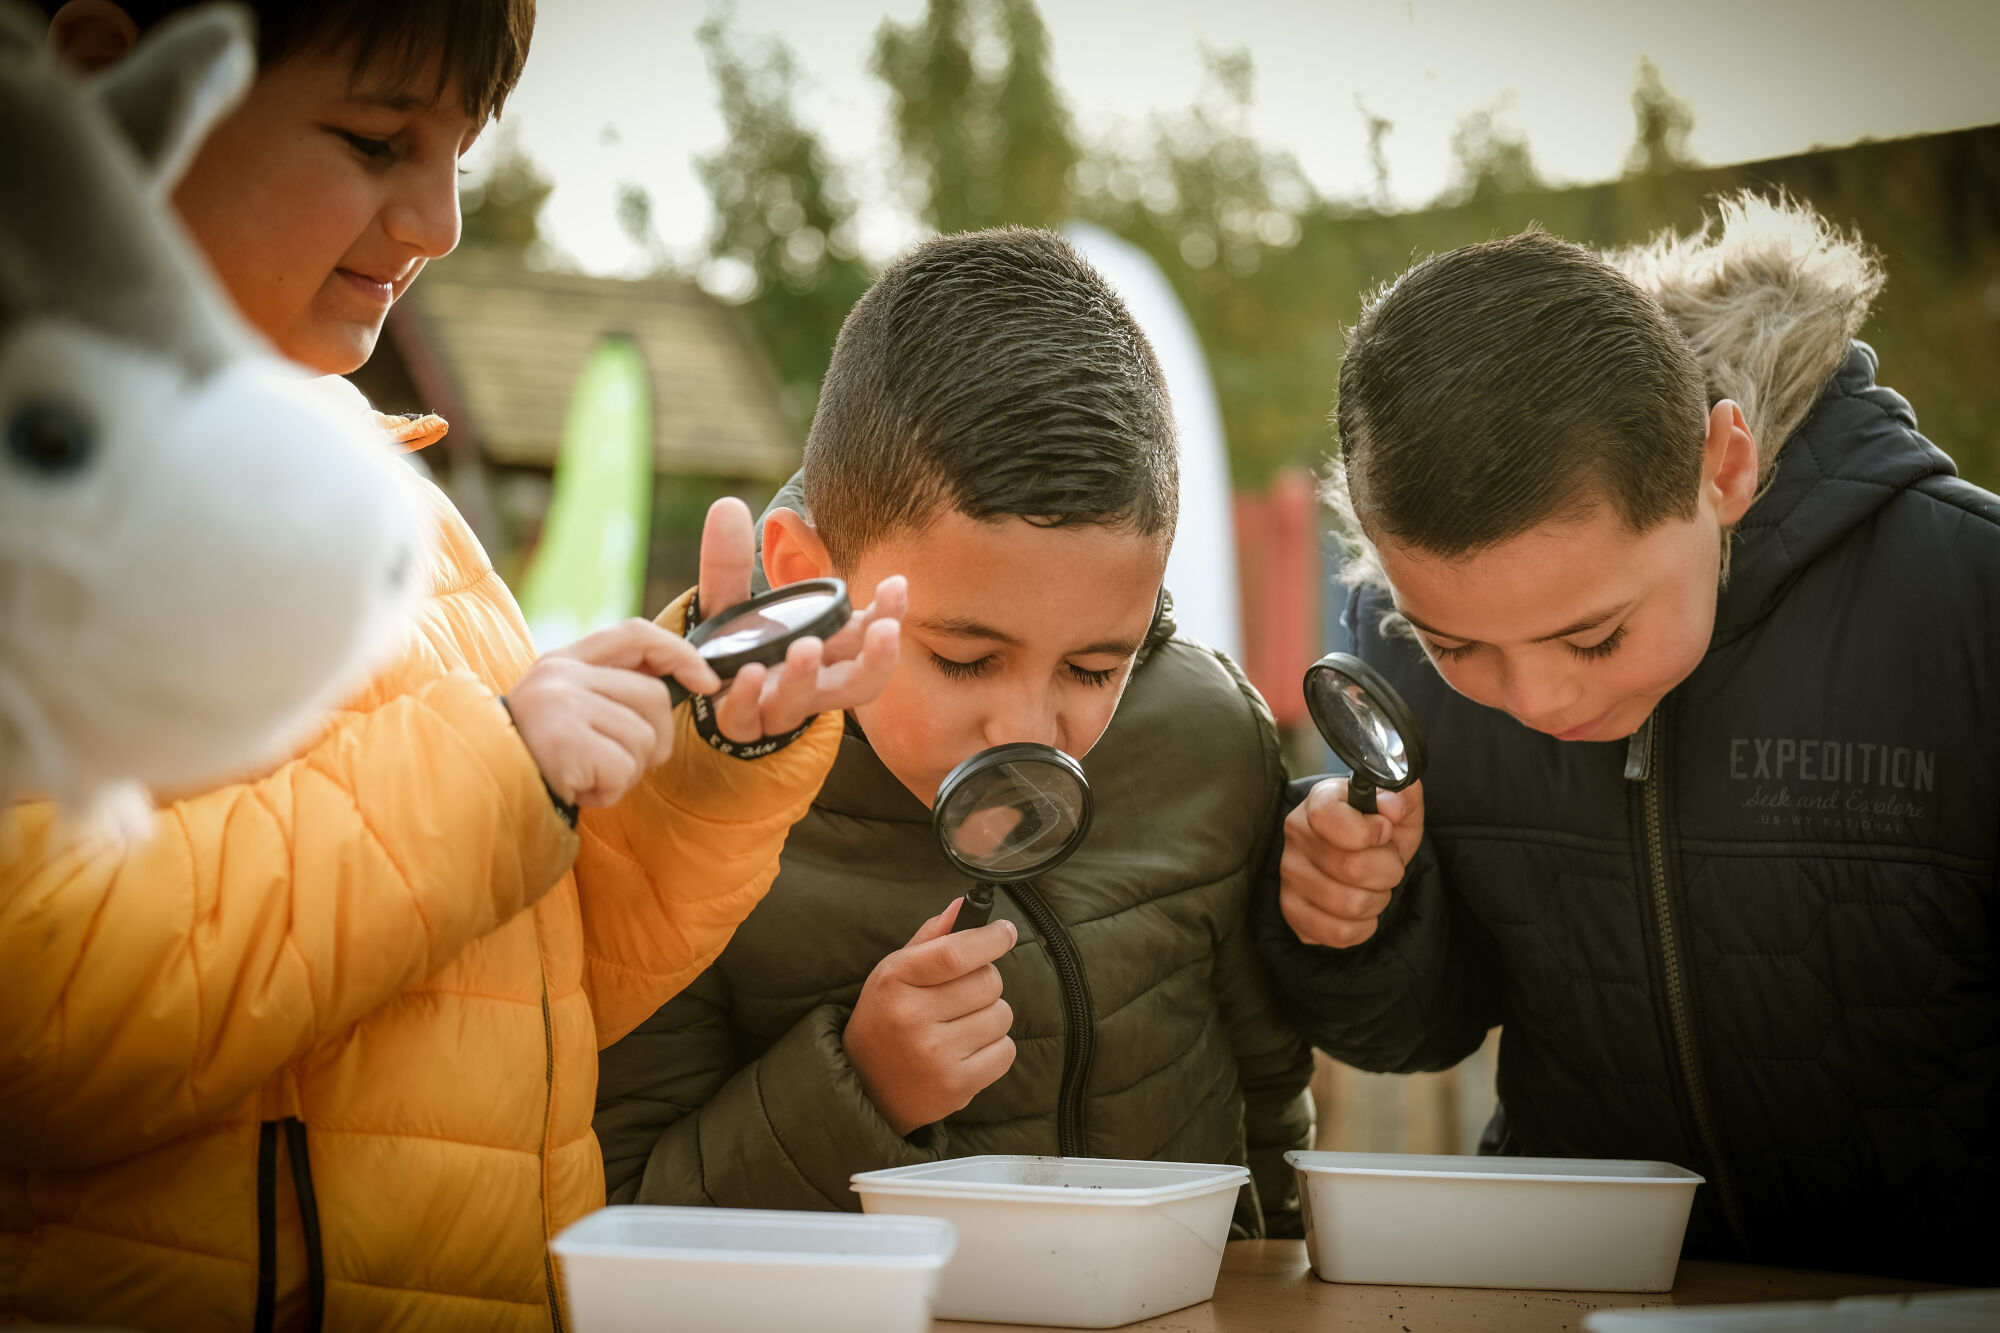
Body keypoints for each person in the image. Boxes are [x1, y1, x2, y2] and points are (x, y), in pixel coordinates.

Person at [1, 2, 903, 1328]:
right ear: (105, 85)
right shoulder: (40, 499)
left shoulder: (405, 510)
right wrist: (496, 765)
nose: (440, 221)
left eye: (461, 158)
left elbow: (527, 994)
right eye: (378, 142)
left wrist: (705, 766)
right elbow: (47, 1019)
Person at [1257, 195, 1998, 1284]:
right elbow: (1416, 1032)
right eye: (1459, 646)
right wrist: (1354, 917)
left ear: (1723, 469)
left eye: (1593, 636)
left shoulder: (1966, 603)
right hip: (1563, 1298)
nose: (1538, 699)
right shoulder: (1396, 641)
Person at [594, 227, 1315, 1238]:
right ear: (807, 570)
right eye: (964, 659)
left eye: (1093, 667)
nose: (1027, 730)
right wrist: (858, 1089)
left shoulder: (1205, 737)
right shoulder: (681, 799)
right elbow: (622, 1221)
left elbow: (1268, 1109)